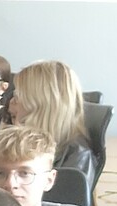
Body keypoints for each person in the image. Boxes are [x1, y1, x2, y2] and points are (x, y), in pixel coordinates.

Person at [7, 60, 96, 188]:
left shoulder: (77, 158)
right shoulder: (19, 142)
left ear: (39, 105)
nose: (11, 102)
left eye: (17, 97)